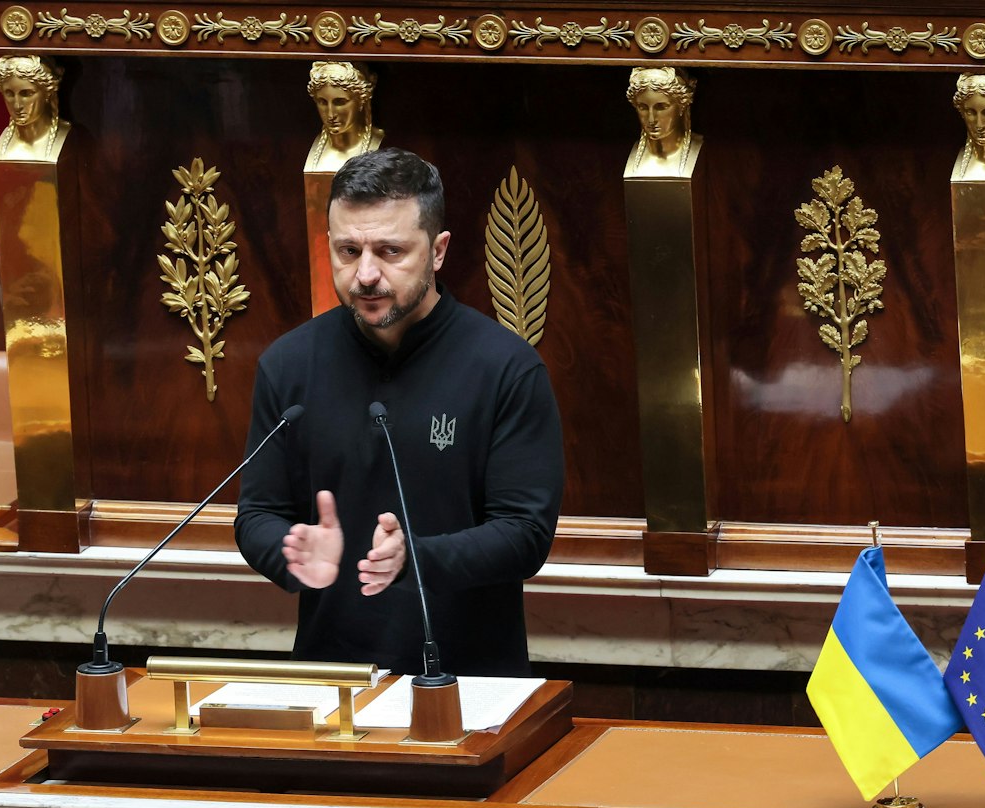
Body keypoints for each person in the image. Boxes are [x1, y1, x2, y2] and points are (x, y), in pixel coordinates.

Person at [234, 148, 565, 678]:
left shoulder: (505, 368)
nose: (365, 274)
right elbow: (256, 515)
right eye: (348, 251)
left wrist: (415, 556)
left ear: (437, 251)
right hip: (332, 680)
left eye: (390, 251)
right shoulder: (289, 365)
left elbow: (524, 535)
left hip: (471, 679)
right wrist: (290, 551)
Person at [304, 61, 384, 172]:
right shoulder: (316, 148)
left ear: (361, 101)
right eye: (322, 102)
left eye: (340, 102)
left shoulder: (378, 140)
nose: (331, 114)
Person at [624, 67, 697, 175]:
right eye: (643, 107)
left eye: (661, 107)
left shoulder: (702, 150)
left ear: (682, 106)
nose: (651, 119)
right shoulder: (626, 154)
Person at [0, 55, 64, 161]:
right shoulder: (4, 143)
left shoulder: (67, 137)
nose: (17, 105)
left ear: (47, 93)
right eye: (9, 94)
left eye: (26, 94)